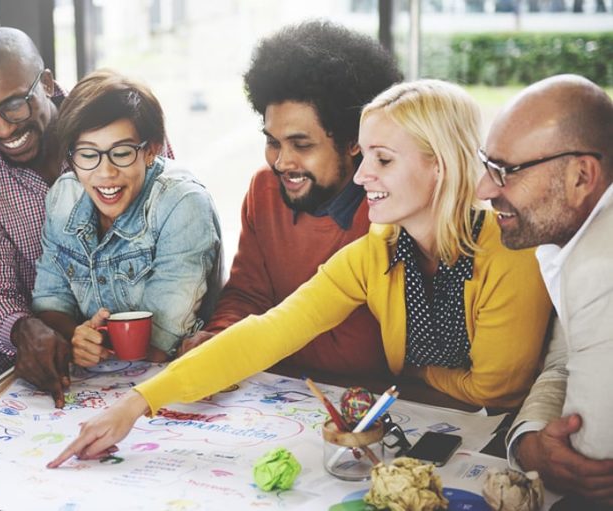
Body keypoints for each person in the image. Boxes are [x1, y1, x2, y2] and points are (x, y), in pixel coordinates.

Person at [49, 79, 553, 467]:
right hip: (430, 427)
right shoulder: (377, 250)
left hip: (503, 447)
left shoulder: (509, 248)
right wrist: (136, 403)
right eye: (365, 155)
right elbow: (270, 331)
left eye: (382, 159)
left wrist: (412, 373)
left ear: (439, 165)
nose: (362, 175)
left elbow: (495, 390)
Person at [0, 28, 172, 407]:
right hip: (58, 359)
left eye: (15, 105)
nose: (3, 128)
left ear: (45, 83)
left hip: (156, 342)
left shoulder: (122, 114)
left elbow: (175, 232)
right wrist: (22, 329)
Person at [178, 20, 401, 375]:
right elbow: (248, 295)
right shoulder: (264, 190)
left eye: (302, 145)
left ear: (354, 141)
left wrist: (249, 344)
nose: (282, 162)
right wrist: (219, 337)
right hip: (279, 391)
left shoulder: (388, 210)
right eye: (273, 142)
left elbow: (367, 350)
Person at [477, 74, 613, 507]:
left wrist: (537, 454)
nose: (483, 189)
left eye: (505, 171)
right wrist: (530, 442)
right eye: (486, 165)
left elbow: (588, 465)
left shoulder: (600, 264)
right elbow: (564, 360)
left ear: (581, 176)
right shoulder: (566, 236)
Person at [32, 70, 221, 365]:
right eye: (88, 154)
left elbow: (160, 342)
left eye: (121, 153)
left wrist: (92, 344)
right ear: (71, 158)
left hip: (171, 373)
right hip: (97, 377)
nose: (106, 172)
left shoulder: (182, 203)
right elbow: (49, 304)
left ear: (151, 150)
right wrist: (79, 337)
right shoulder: (63, 197)